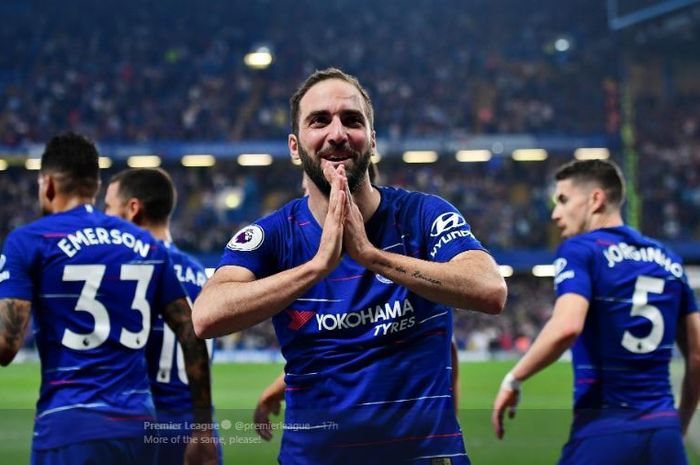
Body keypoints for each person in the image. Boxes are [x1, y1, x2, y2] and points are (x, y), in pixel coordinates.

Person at [193, 68, 507, 464]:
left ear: (372, 140)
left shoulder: (423, 215)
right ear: (295, 146)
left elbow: (490, 289)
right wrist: (317, 267)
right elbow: (205, 317)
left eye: (352, 120)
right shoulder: (273, 235)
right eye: (319, 120)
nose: (338, 133)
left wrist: (372, 257)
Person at [0, 132, 216, 465]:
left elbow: (5, 345)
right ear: (95, 187)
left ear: (48, 184)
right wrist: (202, 428)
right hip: (137, 428)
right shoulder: (148, 246)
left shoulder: (29, 241)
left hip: (69, 423)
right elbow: (192, 333)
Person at [492, 159, 700, 465]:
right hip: (663, 433)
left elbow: (567, 327)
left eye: (563, 200)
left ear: (595, 199)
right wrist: (677, 425)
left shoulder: (581, 250)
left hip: (605, 430)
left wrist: (514, 378)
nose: (555, 213)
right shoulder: (668, 259)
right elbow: (697, 356)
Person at [252, 164, 464, 441]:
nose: (306, 197)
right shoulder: (306, 258)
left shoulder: (408, 243)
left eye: (308, 189)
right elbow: (341, 348)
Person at [104, 167, 222, 465]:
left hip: (147, 431)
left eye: (108, 208)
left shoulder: (130, 272)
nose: (104, 219)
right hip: (198, 428)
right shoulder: (197, 271)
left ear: (133, 210)